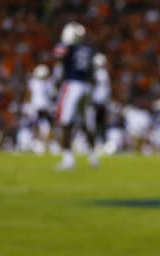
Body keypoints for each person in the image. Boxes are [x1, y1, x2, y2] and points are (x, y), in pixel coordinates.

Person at [53, 21, 98, 170]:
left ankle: (68, 159)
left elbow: (58, 53)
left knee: (65, 121)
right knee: (85, 123)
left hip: (72, 85)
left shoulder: (68, 47)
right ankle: (93, 157)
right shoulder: (89, 50)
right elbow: (92, 71)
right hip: (86, 86)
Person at [25, 64, 55, 153]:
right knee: (35, 127)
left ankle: (44, 145)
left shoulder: (49, 83)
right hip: (36, 107)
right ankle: (33, 144)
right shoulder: (33, 82)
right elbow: (29, 94)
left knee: (45, 127)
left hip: (44, 107)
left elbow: (51, 96)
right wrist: (27, 105)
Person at [90, 53, 110, 154]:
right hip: (96, 101)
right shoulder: (97, 72)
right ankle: (95, 143)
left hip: (100, 101)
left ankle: (99, 143)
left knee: (99, 124)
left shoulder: (102, 72)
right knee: (95, 124)